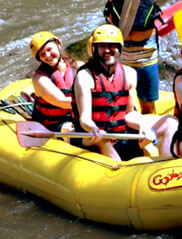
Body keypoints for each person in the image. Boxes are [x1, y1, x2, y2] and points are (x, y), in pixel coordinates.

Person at [72, 24, 174, 161]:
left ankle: (167, 164)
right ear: (94, 49)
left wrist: (142, 126)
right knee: (102, 139)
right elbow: (84, 119)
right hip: (92, 135)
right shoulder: (85, 77)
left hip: (121, 131)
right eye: (102, 46)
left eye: (112, 46)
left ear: (120, 48)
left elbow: (129, 113)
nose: (107, 50)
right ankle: (119, 170)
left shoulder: (130, 74)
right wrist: (94, 129)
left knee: (171, 122)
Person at [29, 31, 82, 135]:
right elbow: (61, 101)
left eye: (49, 49)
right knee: (71, 129)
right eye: (42, 54)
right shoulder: (40, 79)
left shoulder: (78, 66)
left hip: (77, 116)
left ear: (58, 43)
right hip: (53, 123)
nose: (47, 55)